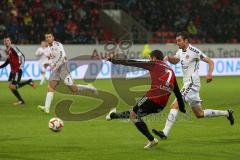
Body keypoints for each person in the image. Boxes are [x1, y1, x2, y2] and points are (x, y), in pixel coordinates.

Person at [153, 32, 234, 140]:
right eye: (176, 41)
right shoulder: (180, 51)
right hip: (187, 84)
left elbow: (210, 62)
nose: (177, 43)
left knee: (175, 105)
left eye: (179, 40)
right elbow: (176, 60)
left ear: (186, 40)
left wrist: (209, 74)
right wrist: (168, 57)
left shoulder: (194, 51)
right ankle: (227, 113)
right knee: (199, 114)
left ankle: (164, 132)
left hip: (192, 83)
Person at [105, 50, 186, 149]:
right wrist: (182, 108)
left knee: (133, 115)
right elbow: (177, 92)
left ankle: (151, 140)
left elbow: (134, 63)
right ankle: (112, 115)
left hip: (152, 98)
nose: (149, 59)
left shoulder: (154, 64)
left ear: (154, 58)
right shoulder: (171, 71)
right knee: (134, 115)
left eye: (150, 57)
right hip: (161, 105)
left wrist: (114, 60)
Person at [37, 32, 98, 114]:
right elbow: (53, 58)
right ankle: (46, 108)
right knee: (50, 87)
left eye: (49, 37)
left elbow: (62, 56)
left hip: (63, 68)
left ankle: (90, 87)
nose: (48, 38)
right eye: (47, 37)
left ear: (53, 37)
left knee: (74, 89)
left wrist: (51, 63)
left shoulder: (58, 45)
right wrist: (48, 62)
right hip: (56, 69)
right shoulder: (49, 48)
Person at [0, 36, 36, 105]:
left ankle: (22, 99)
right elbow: (7, 62)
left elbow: (22, 56)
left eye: (7, 40)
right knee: (11, 86)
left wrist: (21, 65)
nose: (6, 42)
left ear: (10, 41)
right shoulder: (8, 51)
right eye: (5, 41)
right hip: (13, 71)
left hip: (17, 70)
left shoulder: (13, 48)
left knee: (13, 86)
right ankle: (22, 98)